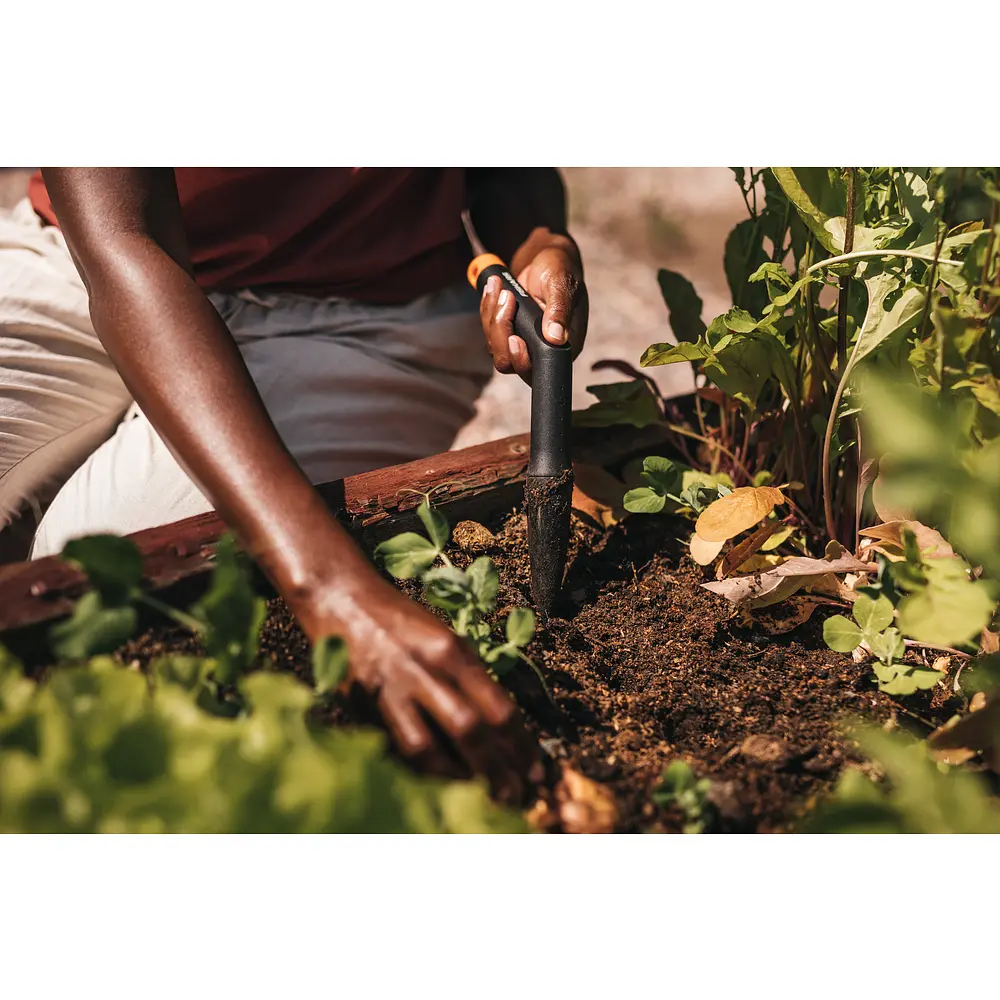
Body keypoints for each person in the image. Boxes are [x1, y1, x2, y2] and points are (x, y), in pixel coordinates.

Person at [0, 168, 589, 801]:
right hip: (90, 259)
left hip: (362, 316)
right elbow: (123, 240)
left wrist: (538, 242)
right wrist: (332, 586)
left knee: (105, 589)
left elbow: (505, 167)